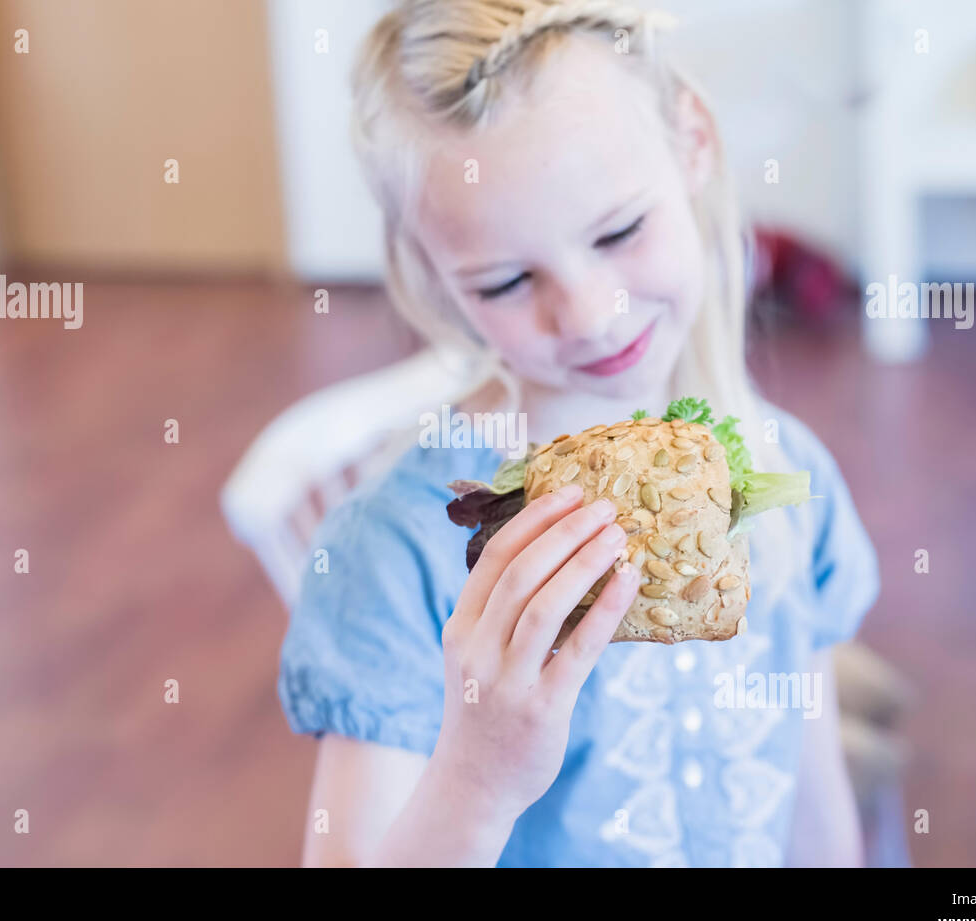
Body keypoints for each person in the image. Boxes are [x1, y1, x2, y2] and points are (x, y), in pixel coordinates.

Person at [277, 0, 879, 866]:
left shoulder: (785, 475)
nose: (594, 315)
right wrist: (476, 780)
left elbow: (814, 806)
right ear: (431, 274)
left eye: (621, 230)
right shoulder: (395, 558)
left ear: (693, 143)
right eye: (508, 280)